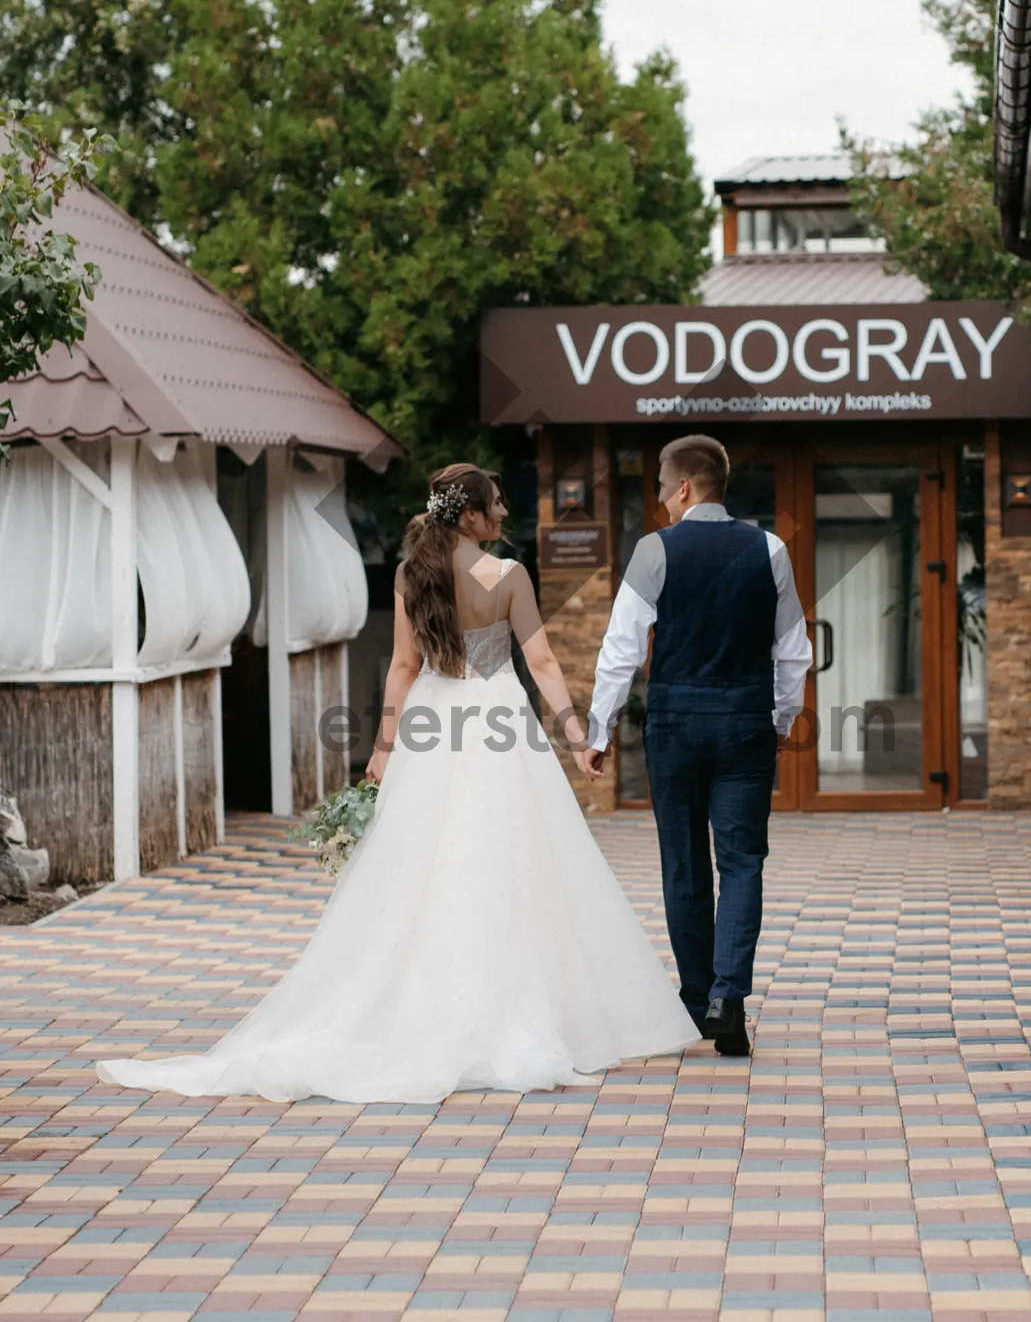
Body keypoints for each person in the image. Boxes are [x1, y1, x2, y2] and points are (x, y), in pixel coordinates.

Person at [97, 464, 697, 1104]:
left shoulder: (413, 576)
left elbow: (404, 669)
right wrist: (580, 739)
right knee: (509, 861)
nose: (502, 514)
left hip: (433, 725)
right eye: (495, 504)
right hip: (497, 720)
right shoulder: (507, 576)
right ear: (470, 514)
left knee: (421, 866)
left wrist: (383, 752)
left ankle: (420, 1002)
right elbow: (543, 662)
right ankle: (505, 1005)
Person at [583, 435, 811, 1057]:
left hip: (676, 726)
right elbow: (792, 649)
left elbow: (620, 650)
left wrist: (599, 731)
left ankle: (695, 1000)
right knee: (741, 862)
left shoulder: (654, 550)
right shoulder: (770, 549)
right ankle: (728, 996)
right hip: (743, 723)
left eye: (660, 483)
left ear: (685, 487)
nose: (658, 496)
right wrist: (783, 720)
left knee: (683, 863)